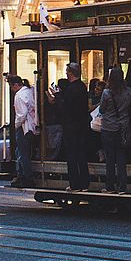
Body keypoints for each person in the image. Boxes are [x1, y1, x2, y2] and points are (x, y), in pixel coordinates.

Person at [49, 62, 90, 191]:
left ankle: (75, 184)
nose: (66, 74)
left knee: (72, 155)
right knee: (81, 154)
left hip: (71, 125)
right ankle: (84, 183)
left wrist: (57, 95)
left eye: (67, 72)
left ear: (71, 73)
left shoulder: (71, 89)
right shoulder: (82, 87)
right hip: (82, 124)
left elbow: (65, 107)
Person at [99, 66, 131, 194]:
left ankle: (110, 186)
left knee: (110, 159)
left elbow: (102, 109)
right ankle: (122, 186)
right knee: (121, 158)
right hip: (123, 127)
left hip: (108, 127)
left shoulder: (107, 93)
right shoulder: (128, 91)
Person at [8, 76, 38, 188]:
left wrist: (16, 125)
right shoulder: (30, 90)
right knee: (20, 152)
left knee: (22, 153)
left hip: (25, 127)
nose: (11, 89)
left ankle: (27, 177)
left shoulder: (19, 96)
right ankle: (21, 175)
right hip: (33, 126)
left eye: (11, 86)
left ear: (15, 85)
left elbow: (22, 114)